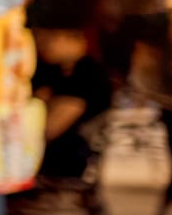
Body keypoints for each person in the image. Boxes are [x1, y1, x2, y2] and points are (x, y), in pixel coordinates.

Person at [32, 25, 113, 180]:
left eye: (47, 38)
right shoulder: (54, 70)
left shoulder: (87, 73)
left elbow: (49, 128)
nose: (40, 44)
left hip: (68, 172)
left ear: (69, 37)